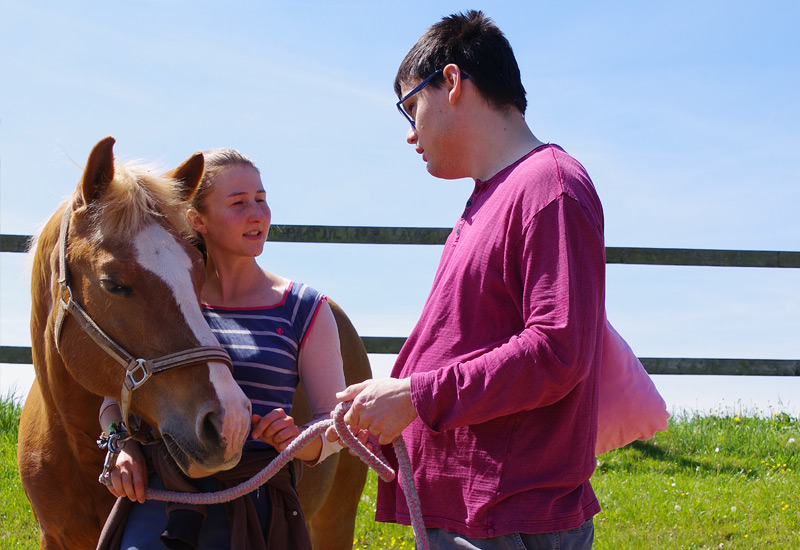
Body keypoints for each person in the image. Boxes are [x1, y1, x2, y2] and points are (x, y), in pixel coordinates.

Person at [337, 10, 604, 549]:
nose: (410, 135)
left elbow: (556, 350)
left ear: (453, 82)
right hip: (475, 513)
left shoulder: (548, 187)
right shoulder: (496, 196)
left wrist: (416, 395)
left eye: (410, 107)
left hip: (507, 516)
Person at [97, 148, 347, 550]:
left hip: (259, 502)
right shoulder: (170, 302)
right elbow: (114, 400)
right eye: (238, 204)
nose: (257, 214)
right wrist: (121, 445)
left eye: (261, 200)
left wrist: (303, 438)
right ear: (198, 220)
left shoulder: (305, 308)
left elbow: (335, 422)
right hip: (162, 502)